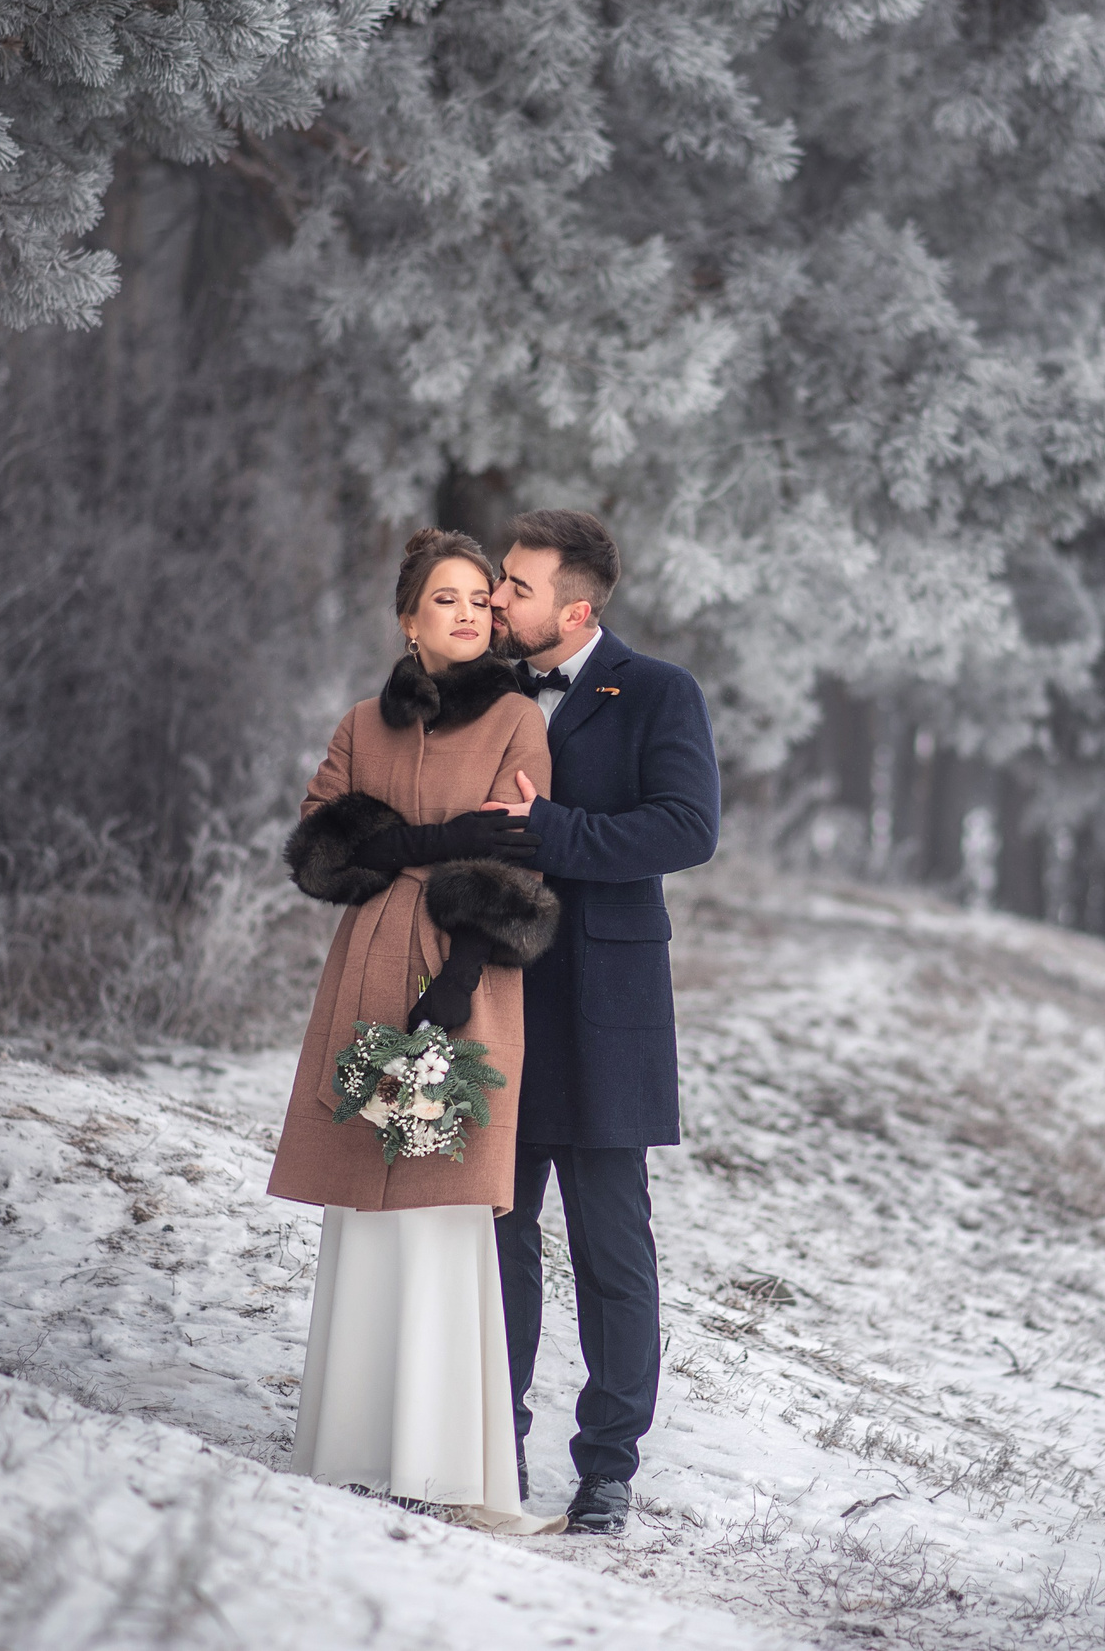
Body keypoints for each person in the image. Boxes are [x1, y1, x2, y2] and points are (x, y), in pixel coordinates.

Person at [265, 527, 565, 1534]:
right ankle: (353, 1444)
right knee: (366, 1201)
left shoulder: (518, 719)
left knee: (443, 1203)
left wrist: (463, 977)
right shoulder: (362, 723)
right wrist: (436, 838)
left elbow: (519, 857)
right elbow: (319, 852)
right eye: (447, 598)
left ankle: (449, 1462)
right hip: (368, 971)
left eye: (482, 598)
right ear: (408, 619)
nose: (470, 613)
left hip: (464, 978)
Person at [484, 509, 720, 1536]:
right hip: (495, 994)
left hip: (607, 1005)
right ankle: (490, 1441)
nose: (497, 597)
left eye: (518, 585)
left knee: (611, 1247)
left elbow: (688, 826)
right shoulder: (486, 688)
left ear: (575, 609)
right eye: (500, 579)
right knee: (494, 1234)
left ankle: (608, 1468)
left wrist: (551, 831)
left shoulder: (659, 690)